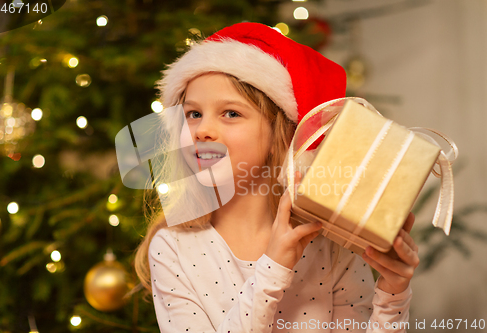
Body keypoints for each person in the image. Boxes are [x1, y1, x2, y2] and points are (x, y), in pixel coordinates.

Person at [133, 22, 419, 332]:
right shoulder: (172, 248)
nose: (202, 130)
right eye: (193, 114)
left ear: (278, 135)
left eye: (231, 113)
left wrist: (394, 291)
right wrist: (273, 270)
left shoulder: (329, 245)